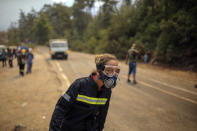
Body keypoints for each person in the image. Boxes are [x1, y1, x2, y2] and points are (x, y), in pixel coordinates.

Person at [49, 54, 120, 131]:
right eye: (109, 70)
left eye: (116, 71)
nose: (113, 75)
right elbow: (61, 108)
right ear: (98, 70)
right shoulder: (80, 85)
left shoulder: (107, 91)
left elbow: (102, 116)